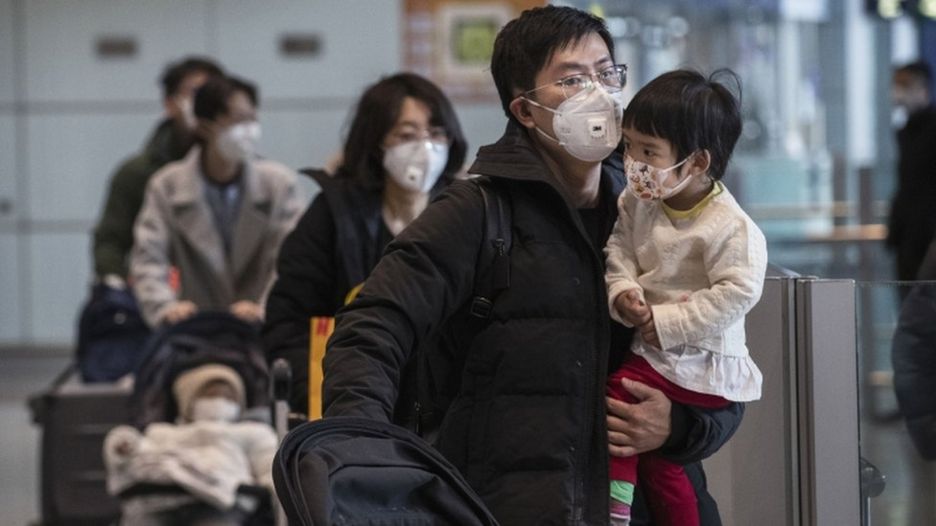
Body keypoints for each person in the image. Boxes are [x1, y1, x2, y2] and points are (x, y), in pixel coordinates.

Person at [321, 6, 744, 525]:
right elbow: (371, 327)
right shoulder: (477, 213)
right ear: (525, 110)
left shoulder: (659, 212)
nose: (599, 92)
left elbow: (728, 371)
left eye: (607, 73)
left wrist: (677, 426)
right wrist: (362, 458)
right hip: (506, 507)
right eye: (571, 78)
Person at [604, 69, 767, 526]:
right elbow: (618, 249)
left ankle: (615, 508)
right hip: (658, 351)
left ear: (696, 162)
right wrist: (623, 292)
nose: (633, 160)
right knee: (661, 463)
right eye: (629, 145)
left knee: (618, 397)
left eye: (648, 151)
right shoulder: (638, 200)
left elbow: (739, 291)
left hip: (701, 359)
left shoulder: (730, 227)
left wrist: (669, 323)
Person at [262, 72, 468, 416]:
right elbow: (289, 321)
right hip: (349, 403)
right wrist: (321, 396)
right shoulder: (333, 214)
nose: (425, 147)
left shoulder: (466, 213)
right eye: (407, 134)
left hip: (446, 412)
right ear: (376, 143)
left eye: (436, 133)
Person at [131, 75, 308, 328]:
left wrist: (265, 307)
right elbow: (148, 259)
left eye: (252, 119)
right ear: (205, 126)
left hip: (262, 332)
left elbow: (293, 260)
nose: (249, 130)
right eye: (238, 121)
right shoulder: (167, 186)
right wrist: (166, 308)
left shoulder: (279, 185)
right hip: (195, 330)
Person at [93, 56, 224, 287]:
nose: (205, 103)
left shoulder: (250, 173)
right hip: (156, 297)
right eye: (195, 93)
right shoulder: (137, 173)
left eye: (214, 95)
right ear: (170, 104)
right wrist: (127, 284)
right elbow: (109, 244)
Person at [104, 364, 278, 525]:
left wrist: (271, 491)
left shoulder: (251, 431)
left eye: (228, 397)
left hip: (220, 505)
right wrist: (123, 446)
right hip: (158, 501)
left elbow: (269, 466)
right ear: (188, 398)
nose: (218, 402)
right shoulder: (162, 432)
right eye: (210, 395)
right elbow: (135, 453)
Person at [886, 60, 936, 287]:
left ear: (923, 88)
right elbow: (906, 185)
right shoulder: (905, 131)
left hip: (929, 237)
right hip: (908, 238)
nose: (899, 92)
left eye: (905, 85)